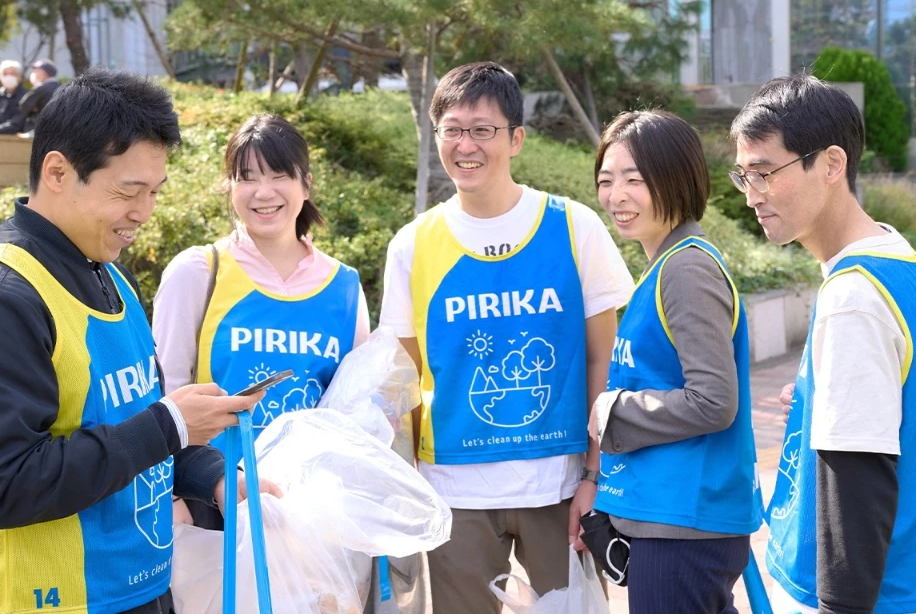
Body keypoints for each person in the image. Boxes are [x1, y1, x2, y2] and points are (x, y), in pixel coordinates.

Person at [0, 68, 278, 614]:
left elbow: (132, 427)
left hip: (141, 588)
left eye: (154, 192)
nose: (144, 212)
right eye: (128, 191)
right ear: (57, 171)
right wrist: (168, 424)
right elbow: (2, 486)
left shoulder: (110, 274)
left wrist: (214, 475)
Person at [379, 61, 633, 613]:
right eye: (452, 129)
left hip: (559, 485)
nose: (465, 145)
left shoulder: (573, 226)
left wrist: (595, 475)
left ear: (516, 138)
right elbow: (401, 379)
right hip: (454, 493)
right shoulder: (413, 245)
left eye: (483, 129)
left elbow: (605, 364)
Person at [732, 74, 916, 614]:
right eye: (743, 176)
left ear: (832, 164)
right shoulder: (897, 264)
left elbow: (857, 477)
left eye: (765, 173)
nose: (751, 196)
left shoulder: (854, 295)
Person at [153, 114, 370, 528]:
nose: (263, 192)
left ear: (305, 184)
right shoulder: (197, 272)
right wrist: (177, 496)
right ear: (229, 188)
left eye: (279, 176)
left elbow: (354, 409)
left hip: (310, 512)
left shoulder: (344, 286)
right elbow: (164, 396)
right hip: (215, 504)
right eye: (247, 177)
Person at [587, 110, 762, 613]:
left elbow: (713, 401)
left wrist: (612, 411)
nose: (616, 196)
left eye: (634, 180)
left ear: (675, 178)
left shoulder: (685, 268)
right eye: (606, 180)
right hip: (673, 518)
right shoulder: (667, 263)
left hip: (683, 524)